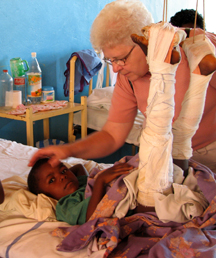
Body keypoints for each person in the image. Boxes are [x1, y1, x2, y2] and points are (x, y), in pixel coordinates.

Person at [28, 0, 216, 173]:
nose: (116, 69)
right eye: (110, 60)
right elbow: (112, 135)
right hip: (162, 154)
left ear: (145, 42)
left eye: (121, 59)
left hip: (209, 153)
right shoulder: (128, 79)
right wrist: (68, 149)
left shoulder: (199, 51)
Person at [27, 158, 133, 225]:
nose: (63, 176)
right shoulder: (65, 205)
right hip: (127, 202)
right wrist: (100, 181)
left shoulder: (79, 182)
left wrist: (66, 176)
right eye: (52, 180)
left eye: (63, 170)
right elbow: (90, 217)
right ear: (46, 196)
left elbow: (79, 167)